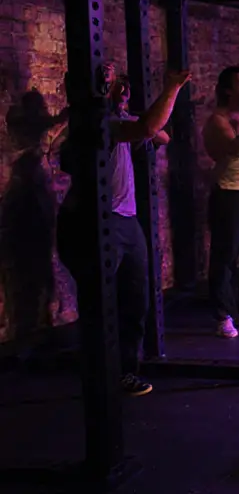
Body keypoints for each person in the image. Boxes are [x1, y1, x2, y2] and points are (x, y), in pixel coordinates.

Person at [57, 63, 188, 397]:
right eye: (114, 83)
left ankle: (125, 371)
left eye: (122, 84)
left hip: (126, 222)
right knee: (101, 303)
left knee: (135, 298)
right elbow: (150, 127)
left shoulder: (119, 121)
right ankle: (101, 373)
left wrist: (136, 118)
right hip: (96, 221)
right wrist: (172, 87)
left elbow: (161, 134)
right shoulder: (98, 123)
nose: (123, 90)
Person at [203, 66, 239, 338]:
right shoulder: (218, 119)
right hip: (229, 192)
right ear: (228, 90)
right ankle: (223, 315)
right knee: (225, 256)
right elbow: (235, 149)